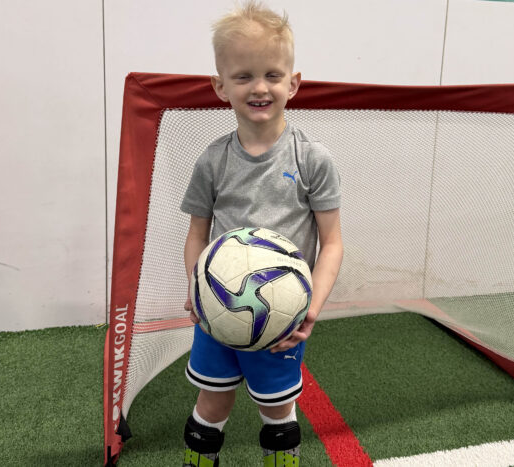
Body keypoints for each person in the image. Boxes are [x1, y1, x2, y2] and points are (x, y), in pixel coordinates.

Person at [180, 1, 343, 465]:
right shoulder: (212, 161)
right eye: (243, 75)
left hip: (283, 318)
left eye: (272, 74)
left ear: (293, 83)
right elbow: (197, 233)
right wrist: (198, 289)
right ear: (220, 86)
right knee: (212, 403)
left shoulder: (313, 159)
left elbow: (332, 243)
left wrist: (310, 307)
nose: (259, 87)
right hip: (220, 311)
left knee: (277, 407)